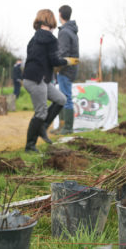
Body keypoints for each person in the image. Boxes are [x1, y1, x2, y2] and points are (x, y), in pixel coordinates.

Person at [23, 9, 79, 152]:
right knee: (40, 112)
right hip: (37, 79)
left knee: (61, 99)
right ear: (52, 21)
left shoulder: (34, 38)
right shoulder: (51, 39)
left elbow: (33, 56)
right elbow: (54, 60)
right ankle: (30, 146)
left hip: (35, 78)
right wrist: (67, 61)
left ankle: (43, 126)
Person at [54, 5, 79, 135]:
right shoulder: (72, 31)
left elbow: (63, 53)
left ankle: (67, 127)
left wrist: (55, 65)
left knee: (66, 98)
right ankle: (62, 126)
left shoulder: (64, 32)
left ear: (60, 14)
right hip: (71, 69)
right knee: (64, 96)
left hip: (65, 70)